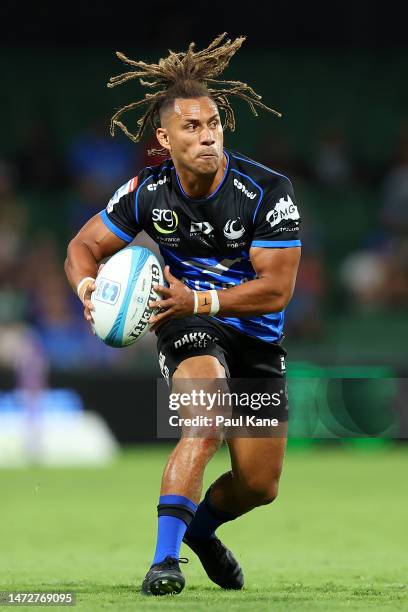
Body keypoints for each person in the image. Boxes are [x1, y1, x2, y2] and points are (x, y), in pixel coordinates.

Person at [64, 33, 301, 596]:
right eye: (191, 127)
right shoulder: (147, 192)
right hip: (184, 320)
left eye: (213, 123)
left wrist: (202, 298)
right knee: (205, 419)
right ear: (164, 139)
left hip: (255, 336)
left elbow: (277, 290)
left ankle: (200, 531)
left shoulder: (267, 191)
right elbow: (81, 247)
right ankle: (163, 563)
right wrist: (88, 287)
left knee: (260, 485)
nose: (207, 135)